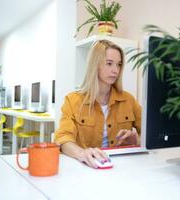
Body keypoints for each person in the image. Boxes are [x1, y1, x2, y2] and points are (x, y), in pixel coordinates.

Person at [55, 40, 141, 169]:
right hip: (87, 167)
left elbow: (149, 134)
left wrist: (136, 141)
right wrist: (82, 153)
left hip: (120, 168)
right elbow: (63, 138)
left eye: (118, 64)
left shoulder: (128, 100)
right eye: (109, 64)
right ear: (95, 65)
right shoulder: (72, 100)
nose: (115, 70)